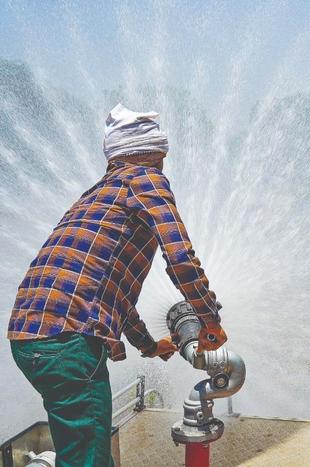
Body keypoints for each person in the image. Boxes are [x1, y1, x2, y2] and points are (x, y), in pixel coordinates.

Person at [7, 104, 227, 467]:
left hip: (30, 340)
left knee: (80, 451)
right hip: (69, 342)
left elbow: (105, 293)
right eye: (162, 156)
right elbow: (181, 258)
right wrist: (210, 320)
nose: (164, 164)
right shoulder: (146, 179)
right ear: (151, 154)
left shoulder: (97, 196)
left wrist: (148, 344)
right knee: (89, 459)